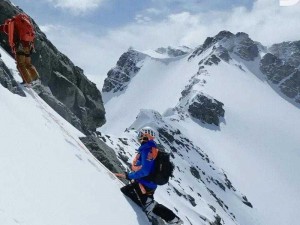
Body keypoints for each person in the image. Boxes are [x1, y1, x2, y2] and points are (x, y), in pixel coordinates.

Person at [115, 127, 183, 225]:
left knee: (139, 199)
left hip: (144, 183)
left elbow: (145, 171)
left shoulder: (147, 150)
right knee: (141, 200)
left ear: (146, 135)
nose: (139, 137)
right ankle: (169, 219)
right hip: (147, 183)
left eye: (141, 135)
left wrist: (129, 176)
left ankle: (173, 220)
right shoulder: (150, 149)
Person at [0, 13, 39, 85]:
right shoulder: (24, 25)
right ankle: (35, 78)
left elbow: (2, 28)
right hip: (28, 46)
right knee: (28, 63)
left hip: (20, 46)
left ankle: (27, 82)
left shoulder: (11, 25)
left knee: (20, 64)